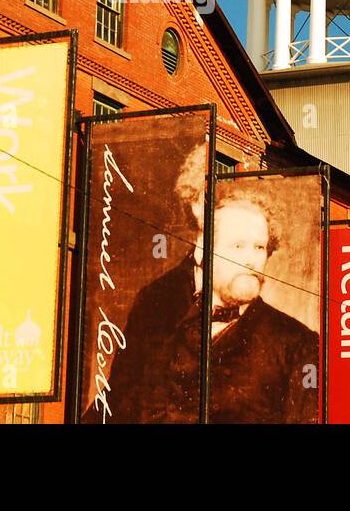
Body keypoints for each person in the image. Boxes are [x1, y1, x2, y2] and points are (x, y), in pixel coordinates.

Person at [95, 173, 320, 424]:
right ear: (203, 251)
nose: (251, 259)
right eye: (238, 246)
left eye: (259, 247)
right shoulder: (159, 317)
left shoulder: (297, 343)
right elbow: (115, 403)